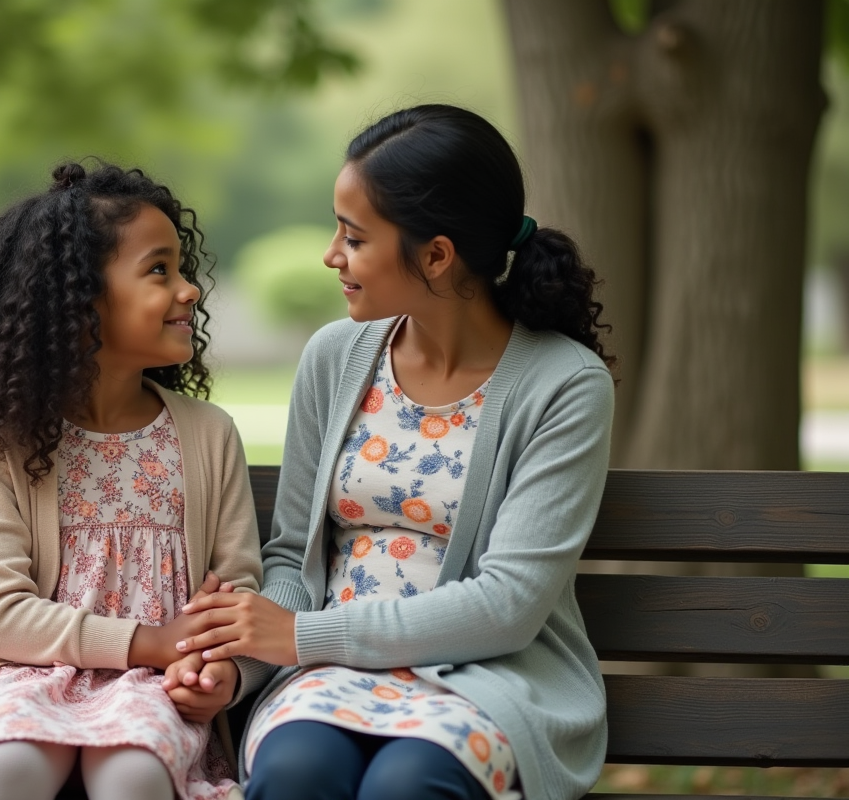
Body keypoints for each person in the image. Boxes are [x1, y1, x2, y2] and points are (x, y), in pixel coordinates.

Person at [170, 105, 617, 800]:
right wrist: (239, 663)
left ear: (436, 255)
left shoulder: (564, 384)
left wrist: (302, 636)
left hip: (489, 680)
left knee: (407, 784)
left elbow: (509, 605)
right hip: (328, 677)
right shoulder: (334, 357)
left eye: (354, 237)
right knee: (295, 773)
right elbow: (292, 562)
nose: (331, 255)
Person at [0, 161, 263, 800]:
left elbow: (237, 595)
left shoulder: (208, 435)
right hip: (22, 677)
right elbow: (0, 614)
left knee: (135, 773)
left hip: (153, 688)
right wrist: (150, 641)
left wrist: (221, 671)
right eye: (159, 270)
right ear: (78, 301)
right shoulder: (12, 439)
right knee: (11, 767)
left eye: (182, 268)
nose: (189, 289)